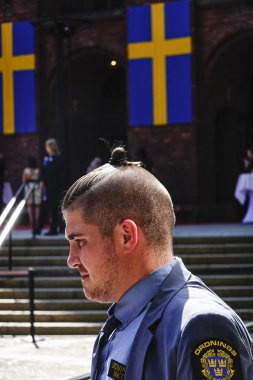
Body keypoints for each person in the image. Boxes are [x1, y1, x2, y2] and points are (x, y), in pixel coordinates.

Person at [62, 146, 253, 380]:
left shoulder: (201, 325)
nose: (71, 260)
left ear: (126, 236)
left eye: (80, 241)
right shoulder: (124, 317)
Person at [36, 138, 64, 235]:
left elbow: (55, 173)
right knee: (44, 207)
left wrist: (45, 179)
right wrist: (41, 180)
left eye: (47, 146)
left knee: (54, 208)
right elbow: (43, 171)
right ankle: (38, 228)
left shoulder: (58, 158)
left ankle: (54, 229)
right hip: (47, 187)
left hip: (54, 187)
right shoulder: (46, 159)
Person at [22, 156, 42, 227]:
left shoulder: (26, 170)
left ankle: (31, 221)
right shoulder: (38, 170)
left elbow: (24, 180)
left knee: (30, 205)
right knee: (37, 205)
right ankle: (36, 221)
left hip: (28, 187)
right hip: (37, 187)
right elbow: (40, 179)